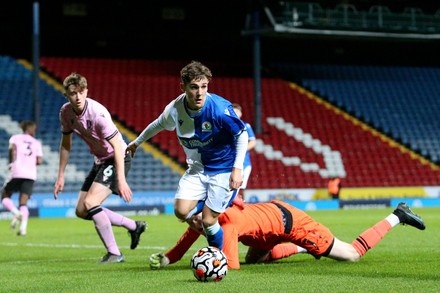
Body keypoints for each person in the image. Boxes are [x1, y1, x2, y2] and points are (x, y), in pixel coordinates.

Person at [127, 61, 248, 250]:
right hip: (197, 169)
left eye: (204, 86)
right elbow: (157, 124)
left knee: (208, 221)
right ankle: (215, 200)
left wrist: (237, 169)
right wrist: (136, 143)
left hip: (222, 170)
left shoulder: (219, 109)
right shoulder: (175, 108)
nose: (200, 92)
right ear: (183, 87)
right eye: (194, 87)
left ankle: (218, 257)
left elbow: (242, 134)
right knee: (181, 212)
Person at [150, 199, 425, 269]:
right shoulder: (204, 219)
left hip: (292, 223)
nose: (195, 224)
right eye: (192, 220)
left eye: (196, 218)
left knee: (351, 255)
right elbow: (181, 246)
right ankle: (304, 249)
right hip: (268, 227)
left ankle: (397, 215)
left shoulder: (227, 223)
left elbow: (228, 266)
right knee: (255, 260)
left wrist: (206, 264)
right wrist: (165, 260)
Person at [53, 73, 146, 264]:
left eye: (81, 92)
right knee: (81, 210)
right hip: (100, 160)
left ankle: (114, 253)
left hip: (117, 157)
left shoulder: (98, 115)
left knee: (91, 203)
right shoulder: (66, 113)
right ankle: (133, 226)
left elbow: (119, 147)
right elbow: (65, 144)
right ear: (66, 95)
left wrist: (121, 180)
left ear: (86, 91)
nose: (77, 97)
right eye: (72, 93)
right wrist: (60, 175)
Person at [1, 120, 43, 236]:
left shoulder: (15, 138)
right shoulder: (36, 142)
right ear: (30, 129)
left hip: (17, 171)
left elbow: (11, 149)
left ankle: (15, 212)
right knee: (23, 203)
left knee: (5, 194)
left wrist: (11, 162)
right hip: (30, 175)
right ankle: (23, 228)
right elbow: (39, 161)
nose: (35, 131)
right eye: (34, 129)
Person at [232, 103, 256, 199]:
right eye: (233, 111)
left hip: (243, 162)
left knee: (240, 186)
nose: (235, 113)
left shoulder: (245, 126)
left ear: (241, 114)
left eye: (237, 111)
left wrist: (240, 150)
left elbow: (253, 142)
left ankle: (240, 207)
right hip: (228, 161)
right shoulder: (225, 126)